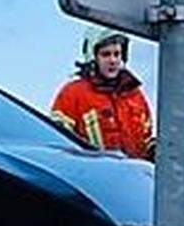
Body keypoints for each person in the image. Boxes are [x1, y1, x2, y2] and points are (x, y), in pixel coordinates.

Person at [51, 26, 154, 159]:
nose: (113, 60)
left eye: (117, 54)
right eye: (106, 54)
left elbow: (146, 138)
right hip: (93, 175)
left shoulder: (134, 95)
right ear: (93, 57)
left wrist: (155, 150)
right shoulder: (72, 94)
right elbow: (58, 141)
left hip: (135, 175)